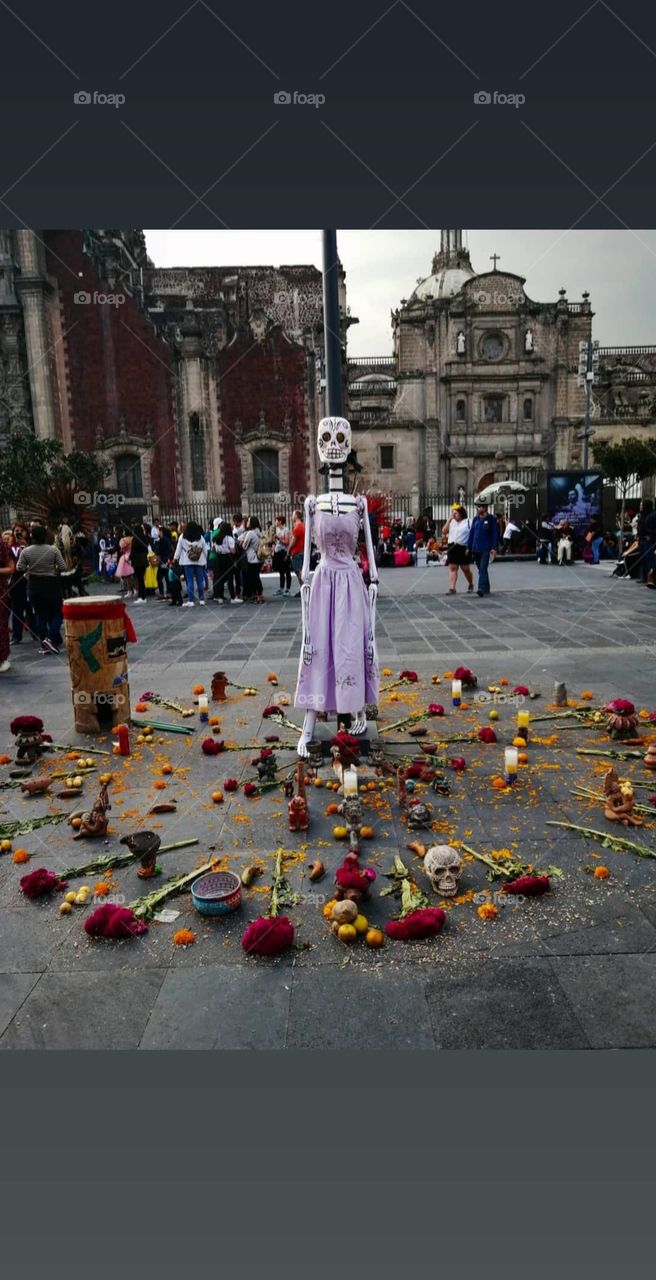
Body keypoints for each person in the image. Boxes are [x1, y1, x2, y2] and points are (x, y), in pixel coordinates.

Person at [15, 525, 66, 654]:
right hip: (52, 585)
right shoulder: (53, 550)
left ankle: (44, 643)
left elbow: (19, 567)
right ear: (45, 536)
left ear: (32, 536)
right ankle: (50, 637)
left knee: (40, 614)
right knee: (57, 613)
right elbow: (63, 567)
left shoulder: (26, 551)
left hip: (34, 586)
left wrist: (30, 569)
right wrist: (52, 569)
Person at [173, 520, 208, 606]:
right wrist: (206, 559)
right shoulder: (200, 537)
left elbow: (178, 549)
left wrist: (175, 558)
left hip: (187, 561)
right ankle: (202, 599)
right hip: (199, 561)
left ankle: (191, 600)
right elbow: (205, 550)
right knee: (200, 580)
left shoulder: (182, 537)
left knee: (190, 580)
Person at [468, 500, 499, 596]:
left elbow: (495, 534)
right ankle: (487, 587)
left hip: (486, 548)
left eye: (480, 507)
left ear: (485, 508)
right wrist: (468, 547)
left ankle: (481, 588)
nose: (478, 509)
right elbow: (471, 534)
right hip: (476, 548)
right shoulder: (475, 519)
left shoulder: (491, 519)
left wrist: (494, 548)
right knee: (481, 569)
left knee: (482, 567)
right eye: (477, 507)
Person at [442, 506, 473, 593]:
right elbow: (444, 531)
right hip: (452, 546)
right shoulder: (452, 522)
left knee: (465, 568)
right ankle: (452, 588)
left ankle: (470, 583)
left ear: (461, 513)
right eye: (453, 513)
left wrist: (470, 547)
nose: (454, 515)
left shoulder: (468, 522)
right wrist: (449, 520)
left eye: (455, 513)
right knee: (453, 567)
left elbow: (472, 534)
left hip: (463, 547)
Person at [210, 522, 241, 604]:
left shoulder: (216, 538)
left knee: (220, 577)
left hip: (219, 558)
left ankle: (219, 596)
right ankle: (233, 597)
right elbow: (233, 551)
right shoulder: (229, 538)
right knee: (230, 578)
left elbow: (213, 549)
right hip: (228, 559)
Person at [240, 516, 264, 604]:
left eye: (249, 521)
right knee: (257, 577)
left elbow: (244, 546)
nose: (247, 522)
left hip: (252, 558)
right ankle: (260, 594)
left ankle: (258, 596)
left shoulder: (250, 533)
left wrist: (242, 542)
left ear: (252, 522)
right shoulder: (259, 532)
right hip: (260, 558)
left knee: (253, 578)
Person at [0, 533, 15, 672]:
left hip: (0, 590)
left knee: (1, 624)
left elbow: (11, 568)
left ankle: (2, 658)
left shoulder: (2, 545)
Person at [129, 522, 150, 603]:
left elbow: (133, 550)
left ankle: (142, 597)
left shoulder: (135, 539)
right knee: (141, 579)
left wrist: (130, 557)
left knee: (140, 579)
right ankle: (142, 596)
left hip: (138, 562)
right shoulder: (144, 538)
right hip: (143, 561)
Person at [272, 514, 292, 595]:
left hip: (284, 552)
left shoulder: (286, 530)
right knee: (280, 571)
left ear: (280, 521)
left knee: (286, 570)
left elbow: (287, 542)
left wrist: (278, 538)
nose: (275, 522)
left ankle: (287, 589)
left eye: (276, 520)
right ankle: (281, 587)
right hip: (277, 552)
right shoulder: (277, 529)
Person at [288, 509, 306, 597]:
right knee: (300, 572)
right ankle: (303, 589)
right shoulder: (302, 526)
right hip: (301, 551)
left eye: (293, 514)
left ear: (296, 516)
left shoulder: (298, 527)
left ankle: (304, 589)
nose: (291, 516)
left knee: (298, 572)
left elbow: (292, 542)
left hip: (297, 552)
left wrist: (288, 552)